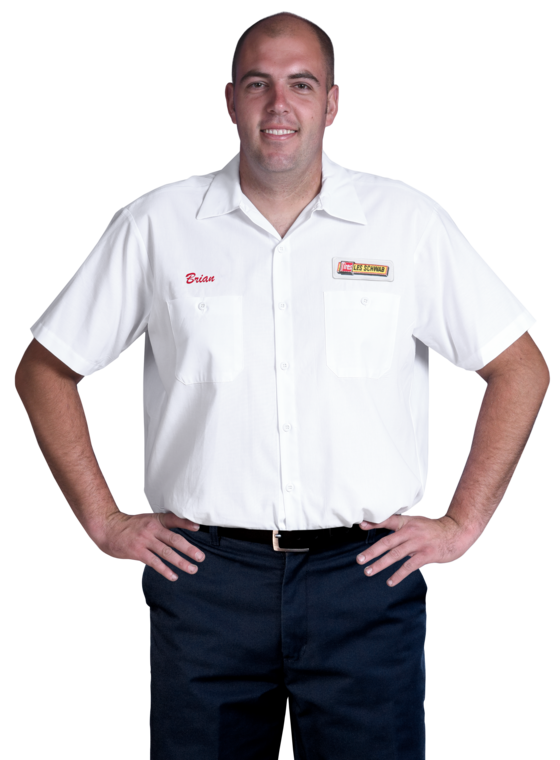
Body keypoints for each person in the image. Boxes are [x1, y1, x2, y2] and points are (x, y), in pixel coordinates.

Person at [14, 9, 550, 760]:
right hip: (204, 581)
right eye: (258, 83)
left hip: (366, 576)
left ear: (331, 104)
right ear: (229, 99)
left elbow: (520, 367)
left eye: (302, 84)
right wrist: (104, 522)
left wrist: (463, 525)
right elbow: (44, 368)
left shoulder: (407, 222)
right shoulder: (157, 224)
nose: (279, 104)